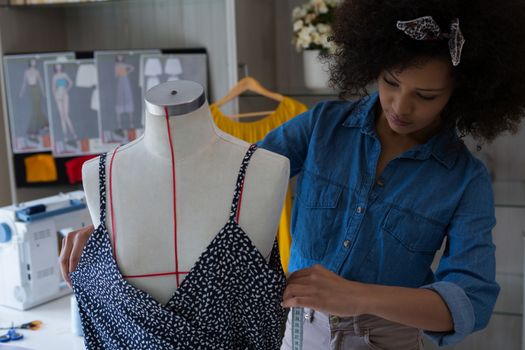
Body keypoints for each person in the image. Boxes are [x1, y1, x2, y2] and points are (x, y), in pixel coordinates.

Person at [61, 0, 525, 348]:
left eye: (425, 96)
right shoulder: (323, 126)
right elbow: (223, 185)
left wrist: (356, 296)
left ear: (461, 95)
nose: (400, 107)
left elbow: (472, 300)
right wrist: (112, 232)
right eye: (390, 82)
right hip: (293, 332)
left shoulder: (465, 181)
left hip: (389, 340)